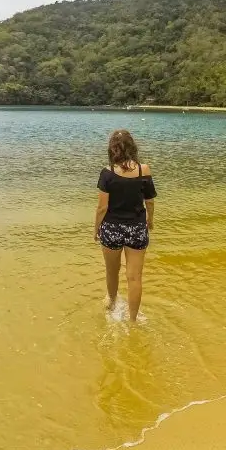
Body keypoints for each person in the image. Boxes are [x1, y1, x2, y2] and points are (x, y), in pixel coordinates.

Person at [94, 129, 156, 321]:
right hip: (136, 229)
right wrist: (150, 221)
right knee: (134, 277)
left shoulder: (107, 172)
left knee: (112, 271)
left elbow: (102, 207)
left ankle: (112, 303)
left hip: (112, 229)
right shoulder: (143, 170)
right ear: (133, 147)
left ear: (112, 149)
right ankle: (133, 320)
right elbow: (150, 201)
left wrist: (96, 228)